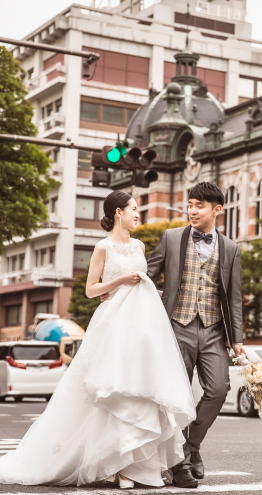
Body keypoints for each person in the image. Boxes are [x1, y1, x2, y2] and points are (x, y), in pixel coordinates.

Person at [0, 191, 196, 489]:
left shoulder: (140, 245)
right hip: (112, 325)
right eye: (134, 209)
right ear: (118, 212)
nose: (138, 214)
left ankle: (132, 465)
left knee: (139, 389)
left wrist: (157, 292)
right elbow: (91, 290)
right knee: (112, 390)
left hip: (142, 326)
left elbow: (141, 284)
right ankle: (113, 464)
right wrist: (121, 280)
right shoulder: (102, 247)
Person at [102, 182, 244, 486]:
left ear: (217, 210)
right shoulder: (171, 238)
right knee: (173, 398)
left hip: (213, 331)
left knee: (219, 389)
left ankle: (191, 447)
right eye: (190, 204)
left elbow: (233, 297)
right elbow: (146, 276)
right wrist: (114, 292)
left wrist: (238, 340)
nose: (192, 211)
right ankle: (179, 464)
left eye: (199, 206)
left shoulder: (231, 248)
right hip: (174, 328)